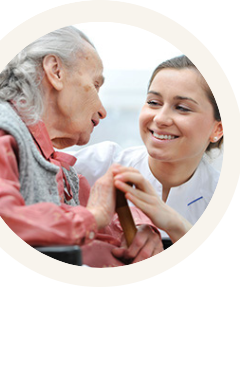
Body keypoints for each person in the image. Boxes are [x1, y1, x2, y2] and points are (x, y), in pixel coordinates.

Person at [0, 26, 163, 267]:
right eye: (95, 85)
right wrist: (92, 217)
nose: (102, 111)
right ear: (56, 71)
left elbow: (102, 219)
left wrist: (141, 229)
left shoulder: (65, 171)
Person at [73, 55, 222, 244]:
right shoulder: (101, 164)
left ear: (218, 129)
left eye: (182, 108)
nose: (160, 119)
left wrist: (176, 224)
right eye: (153, 102)